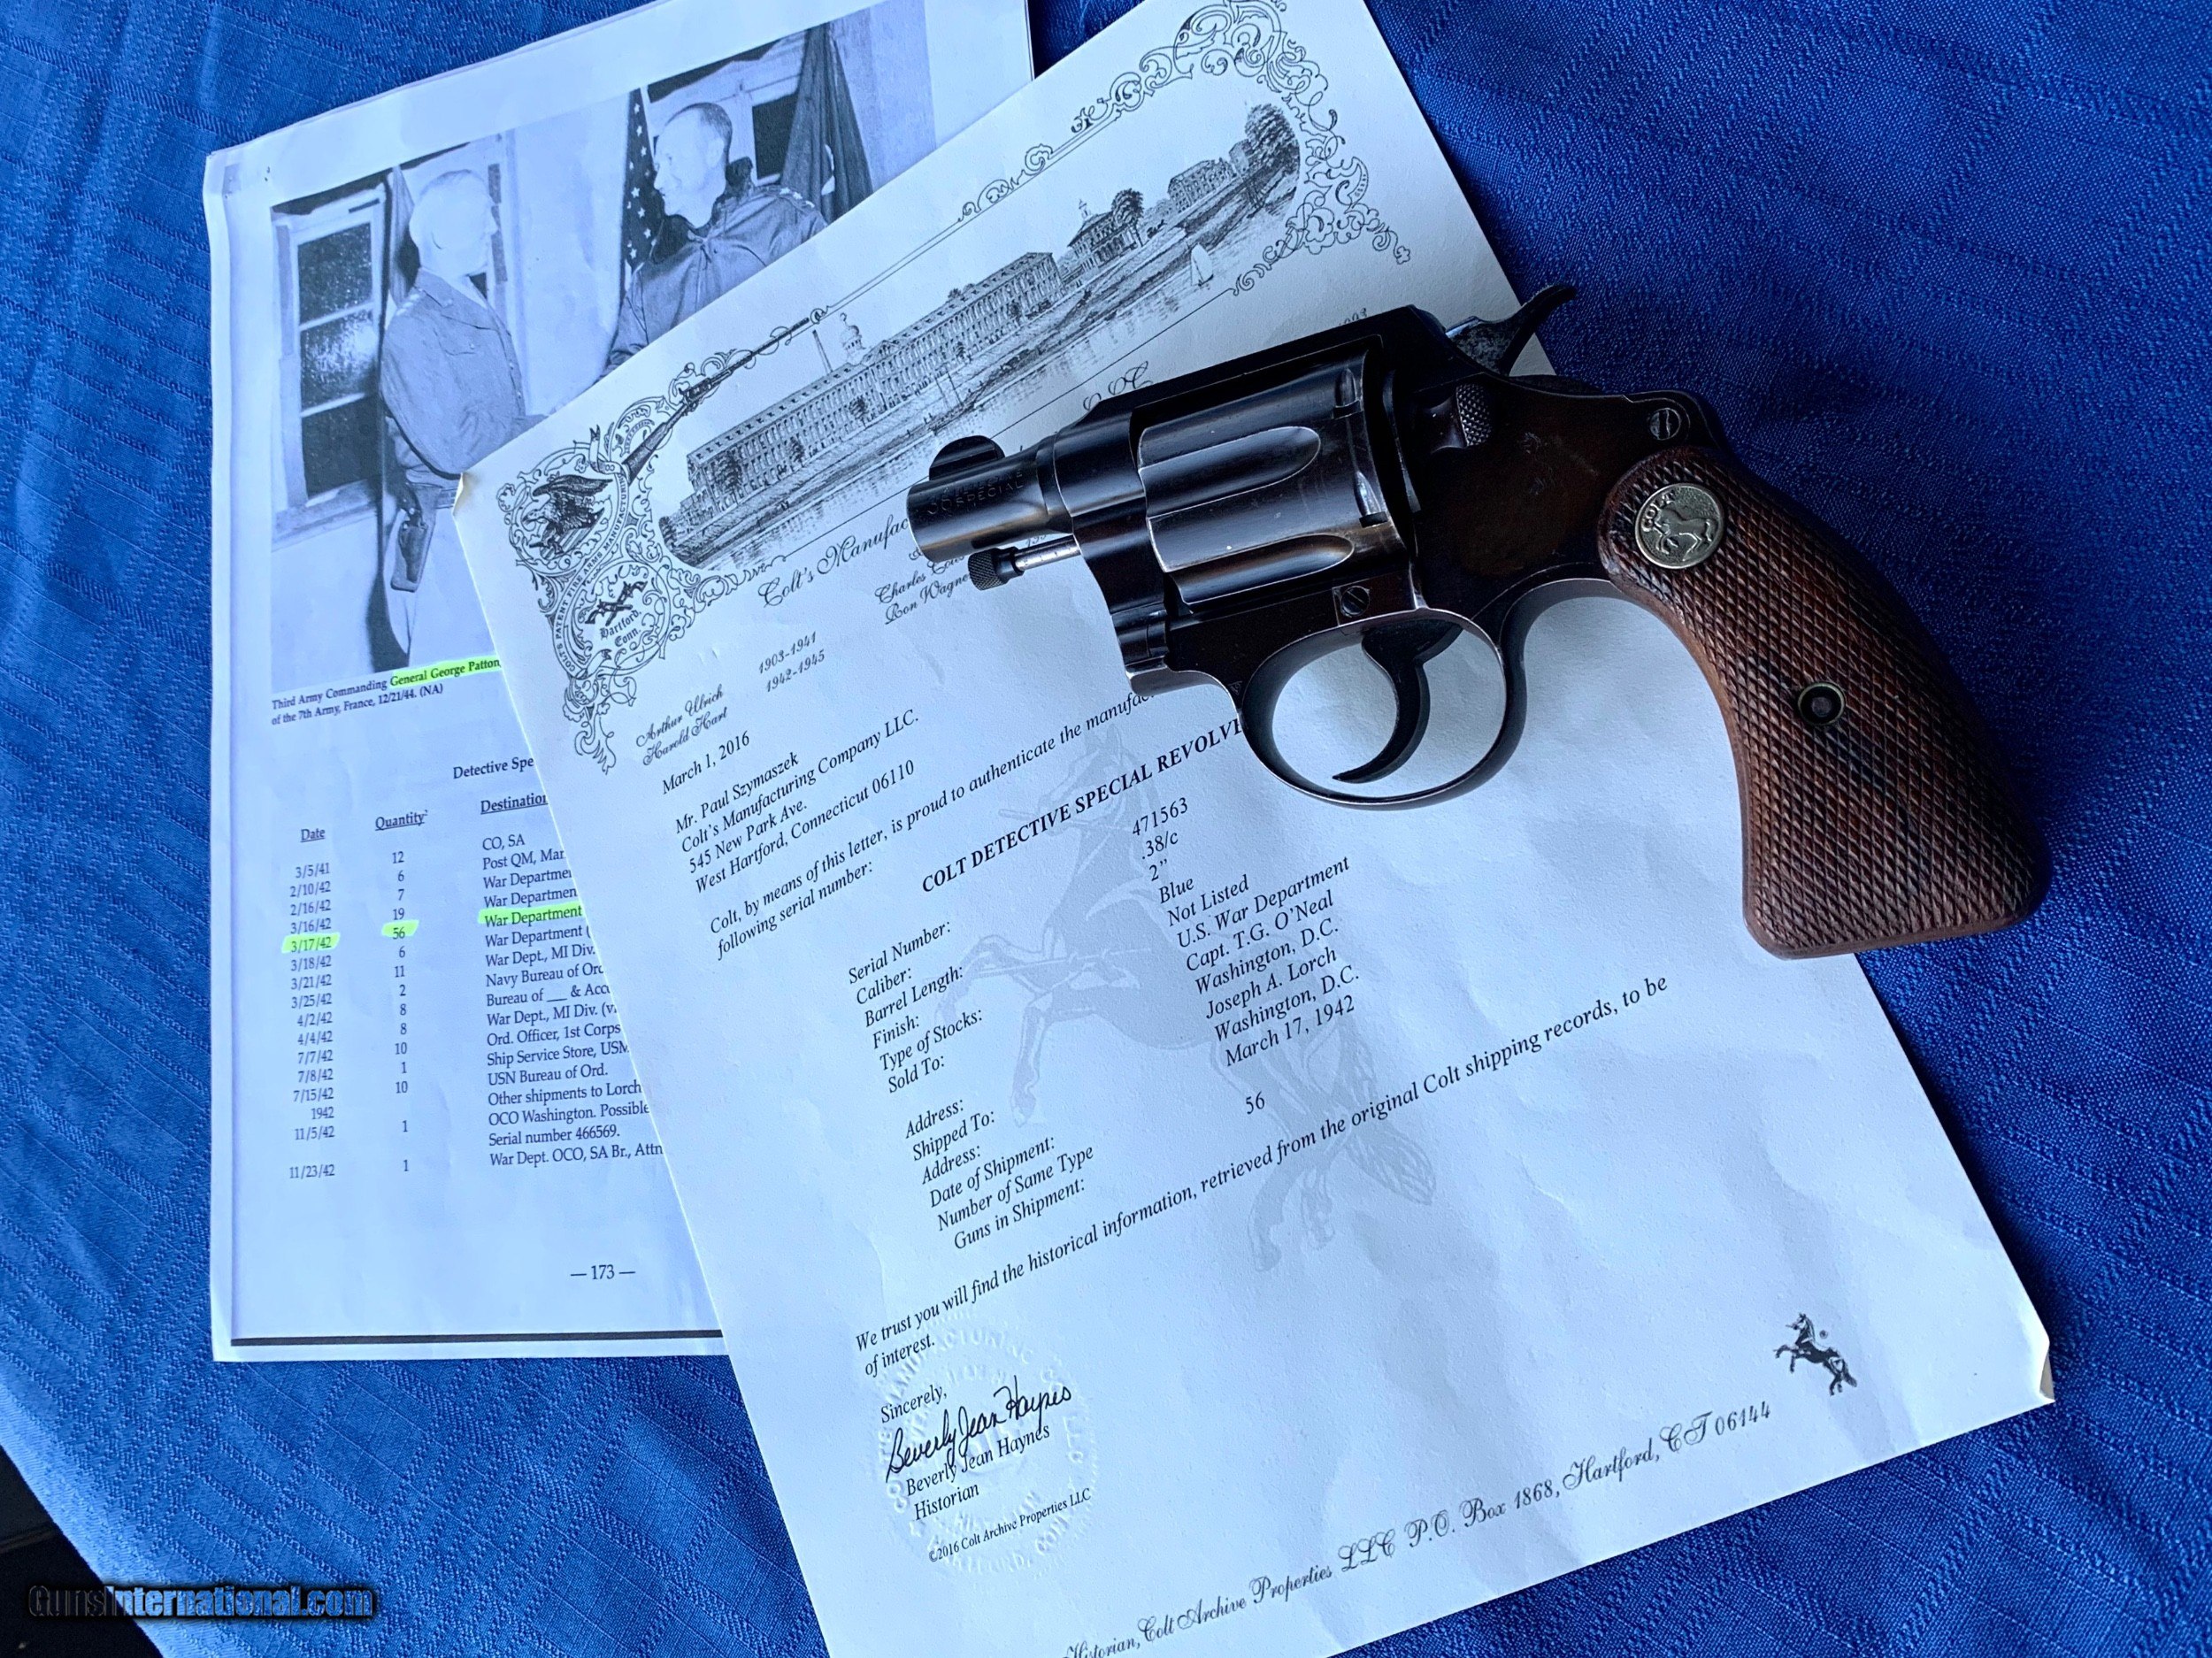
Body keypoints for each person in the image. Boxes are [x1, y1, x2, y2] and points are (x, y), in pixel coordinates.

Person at [378, 170, 528, 666]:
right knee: (461, 688)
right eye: (483, 214)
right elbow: (455, 445)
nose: (493, 227)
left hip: (492, 520)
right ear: (442, 232)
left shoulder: (470, 303)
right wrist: (545, 429)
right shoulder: (412, 330)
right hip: (450, 539)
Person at [603, 102, 828, 369]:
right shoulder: (647, 283)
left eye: (671, 160)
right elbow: (623, 378)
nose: (658, 182)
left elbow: (841, 296)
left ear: (712, 153)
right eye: (658, 166)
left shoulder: (786, 218)